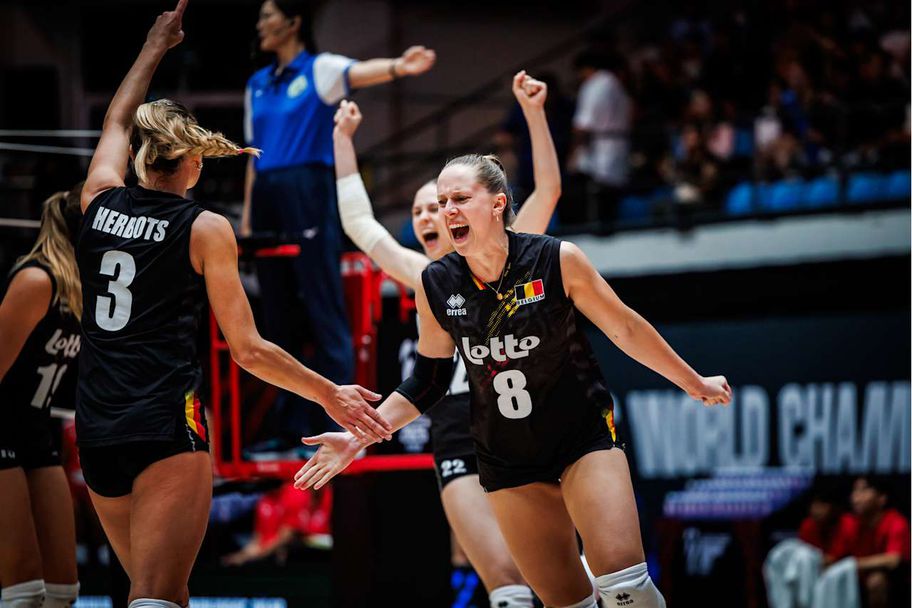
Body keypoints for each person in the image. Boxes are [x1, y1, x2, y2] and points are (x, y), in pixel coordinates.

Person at [295, 154, 731, 607]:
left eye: (460, 199)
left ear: (498, 203)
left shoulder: (554, 258)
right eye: (442, 202)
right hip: (507, 457)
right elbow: (428, 381)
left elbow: (625, 328)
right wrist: (356, 438)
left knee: (626, 588)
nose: (447, 211)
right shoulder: (435, 283)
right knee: (564, 602)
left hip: (580, 438)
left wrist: (693, 381)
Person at [75, 2, 391, 606]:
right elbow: (247, 350)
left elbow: (115, 118)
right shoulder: (205, 228)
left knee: (158, 592)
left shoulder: (97, 199)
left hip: (97, 429)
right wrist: (329, 393)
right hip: (163, 423)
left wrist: (153, 46)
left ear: (140, 157)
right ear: (194, 164)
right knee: (158, 595)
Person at [329, 70, 561, 608]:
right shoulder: (423, 276)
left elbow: (548, 189)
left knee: (563, 576)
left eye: (436, 205)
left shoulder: (515, 253)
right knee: (505, 583)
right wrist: (343, 142)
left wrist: (533, 114)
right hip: (456, 425)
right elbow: (360, 224)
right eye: (418, 211)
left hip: (523, 414)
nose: (427, 216)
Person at [241, 0, 436, 445]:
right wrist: (250, 217)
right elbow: (253, 156)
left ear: (293, 22)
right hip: (268, 196)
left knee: (323, 311)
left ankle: (339, 425)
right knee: (277, 318)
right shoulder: (256, 84)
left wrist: (400, 67)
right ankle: (289, 430)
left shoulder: (320, 68)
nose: (261, 23)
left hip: (308, 191)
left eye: (268, 15)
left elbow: (360, 72)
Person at [0, 186, 82, 608]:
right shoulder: (37, 279)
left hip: (36, 429)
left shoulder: (83, 292)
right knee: (24, 591)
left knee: (63, 591)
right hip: (1, 428)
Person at [834, 476, 910, 608]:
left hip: (895, 584)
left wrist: (853, 564)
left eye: (864, 490)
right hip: (856, 580)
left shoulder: (896, 521)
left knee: (876, 581)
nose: (857, 497)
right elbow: (835, 557)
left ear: (881, 499)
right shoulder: (847, 523)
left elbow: (893, 560)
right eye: (855, 490)